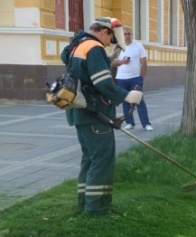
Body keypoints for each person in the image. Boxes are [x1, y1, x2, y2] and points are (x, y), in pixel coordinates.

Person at [60, 17, 143, 216]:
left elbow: (80, 68)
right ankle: (97, 209)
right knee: (102, 161)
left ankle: (85, 203)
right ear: (104, 32)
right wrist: (126, 95)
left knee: (89, 159)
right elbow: (102, 81)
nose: (109, 44)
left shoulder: (78, 44)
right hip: (94, 113)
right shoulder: (94, 47)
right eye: (111, 40)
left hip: (80, 112)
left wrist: (108, 58)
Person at [112, 26, 153, 131]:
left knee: (139, 100)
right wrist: (122, 62)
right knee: (125, 100)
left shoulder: (138, 46)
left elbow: (144, 61)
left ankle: (146, 123)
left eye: (129, 33)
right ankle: (130, 123)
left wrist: (141, 76)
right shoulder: (118, 47)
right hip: (121, 78)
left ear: (132, 34)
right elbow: (112, 62)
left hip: (135, 78)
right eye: (124, 34)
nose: (127, 36)